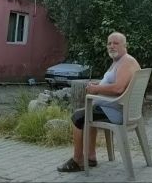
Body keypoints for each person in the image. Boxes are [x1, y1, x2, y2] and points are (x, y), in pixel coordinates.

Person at [56, 32, 141, 172]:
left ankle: (77, 161)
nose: (111, 46)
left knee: (78, 117)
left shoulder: (127, 62)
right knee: (88, 114)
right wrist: (98, 84)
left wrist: (97, 89)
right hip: (116, 108)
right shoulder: (119, 61)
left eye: (116, 43)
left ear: (125, 45)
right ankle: (91, 157)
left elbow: (119, 88)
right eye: (109, 43)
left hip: (118, 112)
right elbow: (115, 82)